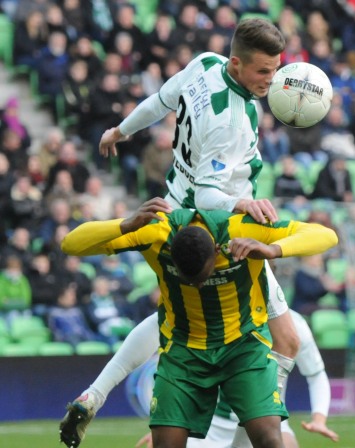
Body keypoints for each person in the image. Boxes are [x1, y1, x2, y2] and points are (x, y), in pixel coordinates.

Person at [61, 18, 302, 447]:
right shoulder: (229, 120)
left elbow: (159, 101)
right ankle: (255, 428)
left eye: (276, 68)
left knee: (171, 318)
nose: (272, 79)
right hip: (212, 226)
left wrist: (121, 130)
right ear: (237, 62)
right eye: (264, 71)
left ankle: (95, 394)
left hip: (172, 208)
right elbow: (211, 194)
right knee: (284, 337)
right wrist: (241, 203)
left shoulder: (204, 64)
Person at [59, 198, 338, 448]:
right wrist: (125, 224)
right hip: (183, 351)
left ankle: (95, 393)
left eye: (201, 276)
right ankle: (95, 394)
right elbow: (70, 244)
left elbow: (325, 235)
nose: (196, 283)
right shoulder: (155, 232)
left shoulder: (243, 230)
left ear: (217, 251)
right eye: (187, 277)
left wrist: (272, 250)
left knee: (269, 437)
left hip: (242, 349)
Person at [135, 309, 339, 448]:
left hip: (267, 421)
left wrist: (319, 418)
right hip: (209, 426)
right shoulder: (208, 312)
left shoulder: (293, 325)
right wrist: (170, 428)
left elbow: (316, 373)